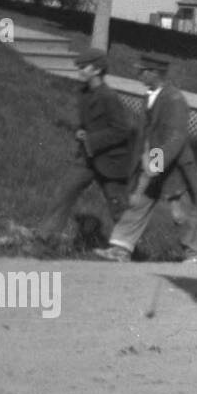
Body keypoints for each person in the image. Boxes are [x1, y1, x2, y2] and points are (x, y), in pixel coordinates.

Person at [94, 53, 197, 263]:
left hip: (173, 168)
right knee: (137, 204)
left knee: (180, 213)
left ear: (155, 73)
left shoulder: (174, 99)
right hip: (152, 162)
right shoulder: (150, 95)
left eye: (142, 71)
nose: (138, 74)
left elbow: (175, 137)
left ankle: (195, 253)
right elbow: (147, 133)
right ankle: (120, 249)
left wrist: (154, 164)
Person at [35, 48, 137, 249]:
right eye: (79, 67)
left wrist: (90, 139)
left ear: (97, 70)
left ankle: (126, 248)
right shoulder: (83, 92)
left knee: (117, 206)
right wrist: (79, 132)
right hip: (87, 157)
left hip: (111, 161)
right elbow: (87, 124)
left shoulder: (109, 96)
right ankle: (44, 238)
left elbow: (121, 131)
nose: (80, 70)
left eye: (84, 67)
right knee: (64, 192)